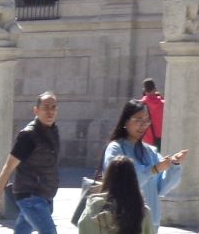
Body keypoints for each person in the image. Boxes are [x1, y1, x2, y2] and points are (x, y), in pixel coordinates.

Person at [0, 91, 62, 234]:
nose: (50, 111)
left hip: (45, 194)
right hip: (31, 196)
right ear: (36, 110)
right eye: (46, 107)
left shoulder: (53, 130)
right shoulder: (28, 136)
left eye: (53, 107)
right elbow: (8, 168)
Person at [102, 99, 187, 229]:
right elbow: (120, 183)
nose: (143, 125)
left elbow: (162, 188)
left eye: (146, 121)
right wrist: (152, 170)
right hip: (123, 219)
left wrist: (174, 165)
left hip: (151, 221)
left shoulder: (150, 151)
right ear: (126, 121)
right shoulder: (115, 148)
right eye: (138, 120)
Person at [78, 156, 153, 234]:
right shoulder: (142, 212)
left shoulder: (92, 207)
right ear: (133, 180)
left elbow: (82, 227)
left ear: (108, 178)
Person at [140, 80, 164, 147]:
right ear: (155, 88)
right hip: (163, 139)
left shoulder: (141, 104)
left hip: (147, 141)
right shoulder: (164, 104)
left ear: (145, 90)